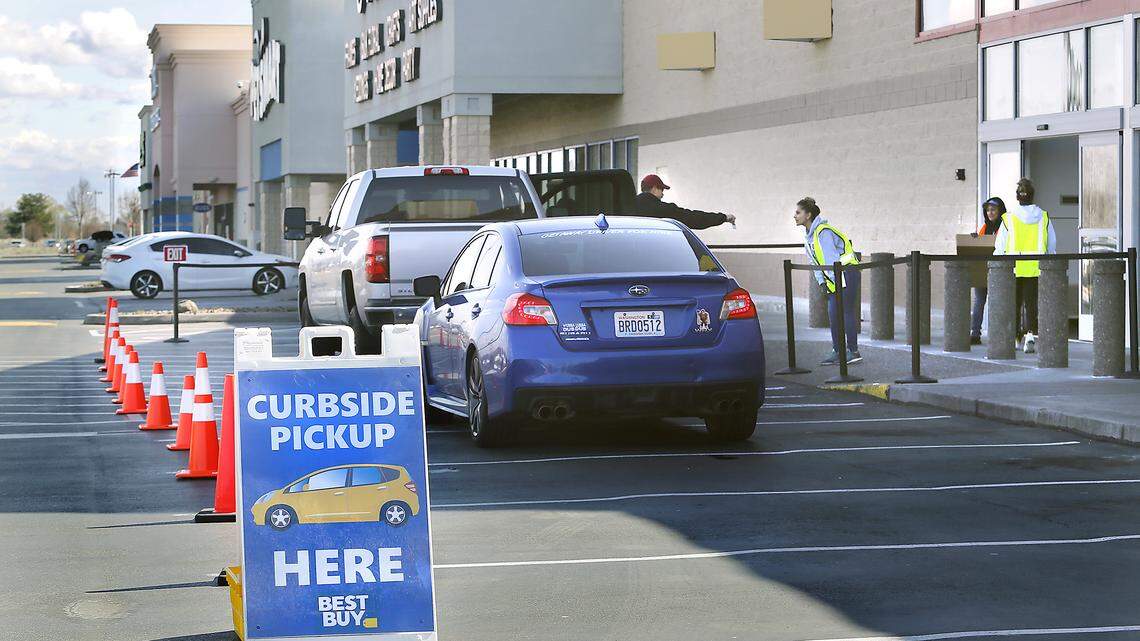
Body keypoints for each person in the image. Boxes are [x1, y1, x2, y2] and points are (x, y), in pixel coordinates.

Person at [794, 196, 862, 365]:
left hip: (846, 273)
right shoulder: (809, 237)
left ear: (808, 215)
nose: (794, 216)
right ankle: (838, 351)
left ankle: (853, 351)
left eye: (798, 212)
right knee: (833, 314)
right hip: (835, 277)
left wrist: (834, 283)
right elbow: (814, 262)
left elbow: (832, 262)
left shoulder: (823, 232)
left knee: (845, 312)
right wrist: (822, 283)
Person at [993, 178, 1056, 354]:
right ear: (1033, 196)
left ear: (1017, 197)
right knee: (1031, 304)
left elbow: (1000, 246)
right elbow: (1051, 244)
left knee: (1014, 303)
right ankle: (1030, 334)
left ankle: (1015, 337)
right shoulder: (1043, 217)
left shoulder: (1008, 218)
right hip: (1036, 267)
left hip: (1012, 267)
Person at [633, 174, 737, 230]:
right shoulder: (664, 209)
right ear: (655, 188)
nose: (663, 194)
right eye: (662, 190)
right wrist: (723, 217)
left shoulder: (629, 206)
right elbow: (694, 218)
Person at [969, 197, 1006, 345]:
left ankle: (1000, 334)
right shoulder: (984, 228)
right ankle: (975, 333)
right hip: (983, 269)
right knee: (979, 301)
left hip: (1000, 270)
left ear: (1000, 211)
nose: (990, 213)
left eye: (993, 210)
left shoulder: (1005, 227)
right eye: (988, 210)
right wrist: (975, 238)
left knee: (999, 302)